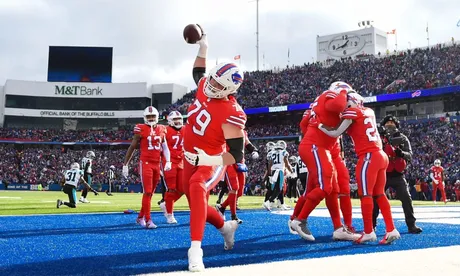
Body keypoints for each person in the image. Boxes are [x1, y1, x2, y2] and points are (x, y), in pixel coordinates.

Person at [182, 25, 246, 272]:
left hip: (210, 161)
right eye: (212, 79)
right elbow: (199, 72)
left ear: (230, 90)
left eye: (218, 85)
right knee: (198, 206)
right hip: (189, 157)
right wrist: (204, 47)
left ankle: (195, 250)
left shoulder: (231, 113)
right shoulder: (206, 84)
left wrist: (206, 159)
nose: (210, 85)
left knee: (198, 189)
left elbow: (235, 156)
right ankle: (225, 227)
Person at [318, 92, 400, 244]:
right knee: (380, 194)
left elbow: (335, 132)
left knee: (366, 195)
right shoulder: (369, 111)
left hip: (368, 156)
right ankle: (391, 229)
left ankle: (369, 232)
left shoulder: (352, 111)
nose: (344, 106)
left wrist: (319, 125)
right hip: (381, 155)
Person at [291, 82, 360, 242]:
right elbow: (337, 105)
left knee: (333, 189)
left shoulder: (319, 103)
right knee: (323, 187)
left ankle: (339, 228)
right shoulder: (331, 96)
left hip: (322, 147)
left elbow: (303, 124)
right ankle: (299, 220)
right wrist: (344, 92)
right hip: (317, 147)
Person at [122, 106, 172, 229]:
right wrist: (125, 164)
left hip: (157, 163)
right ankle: (148, 220)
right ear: (145, 118)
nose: (151, 119)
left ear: (157, 117)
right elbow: (132, 147)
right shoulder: (141, 128)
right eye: (148, 116)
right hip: (146, 163)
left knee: (151, 193)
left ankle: (140, 217)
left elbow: (165, 147)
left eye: (152, 116)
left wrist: (168, 161)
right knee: (148, 192)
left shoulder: (162, 128)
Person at [372, 115, 422, 234]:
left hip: (398, 174)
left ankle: (411, 225)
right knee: (375, 200)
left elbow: (409, 155)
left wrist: (401, 153)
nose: (390, 124)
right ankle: (371, 225)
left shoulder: (403, 138)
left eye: (392, 122)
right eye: (387, 122)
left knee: (406, 198)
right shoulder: (378, 137)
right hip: (383, 173)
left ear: (396, 124)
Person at [216, 130, 259, 223]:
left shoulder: (243, 131)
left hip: (240, 163)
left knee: (240, 192)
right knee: (234, 187)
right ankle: (233, 216)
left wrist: (254, 150)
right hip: (229, 162)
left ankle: (222, 207)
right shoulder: (225, 131)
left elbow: (247, 143)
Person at [159, 110, 185, 224]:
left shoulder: (186, 129)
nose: (178, 121)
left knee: (183, 188)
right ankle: (170, 214)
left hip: (182, 161)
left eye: (179, 119)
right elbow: (160, 148)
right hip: (168, 161)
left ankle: (166, 203)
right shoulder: (165, 130)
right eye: (175, 120)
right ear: (170, 121)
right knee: (171, 188)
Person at [263, 140, 293, 210]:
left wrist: (270, 174)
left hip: (273, 171)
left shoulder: (271, 153)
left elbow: (270, 164)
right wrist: (291, 171)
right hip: (279, 171)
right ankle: (268, 202)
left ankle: (280, 203)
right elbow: (286, 163)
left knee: (278, 188)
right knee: (278, 189)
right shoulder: (284, 152)